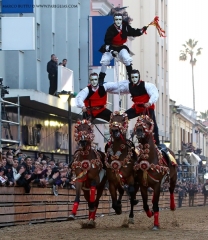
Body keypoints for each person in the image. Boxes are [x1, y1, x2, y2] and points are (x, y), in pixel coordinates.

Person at [99, 12, 147, 85]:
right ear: (114, 20)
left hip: (121, 47)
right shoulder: (110, 29)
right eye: (116, 19)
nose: (118, 21)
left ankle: (130, 78)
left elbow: (133, 32)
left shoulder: (126, 27)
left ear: (122, 20)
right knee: (105, 61)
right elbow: (107, 42)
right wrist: (112, 51)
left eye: (119, 19)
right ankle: (101, 79)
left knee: (127, 58)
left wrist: (141, 31)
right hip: (111, 47)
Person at [115, 69, 160, 146]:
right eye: (132, 77)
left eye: (136, 77)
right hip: (137, 108)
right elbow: (116, 87)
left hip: (147, 108)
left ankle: (157, 144)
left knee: (153, 125)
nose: (134, 79)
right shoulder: (130, 86)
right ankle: (120, 138)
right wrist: (104, 87)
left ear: (139, 77)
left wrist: (149, 102)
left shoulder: (146, 85)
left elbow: (154, 94)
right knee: (123, 117)